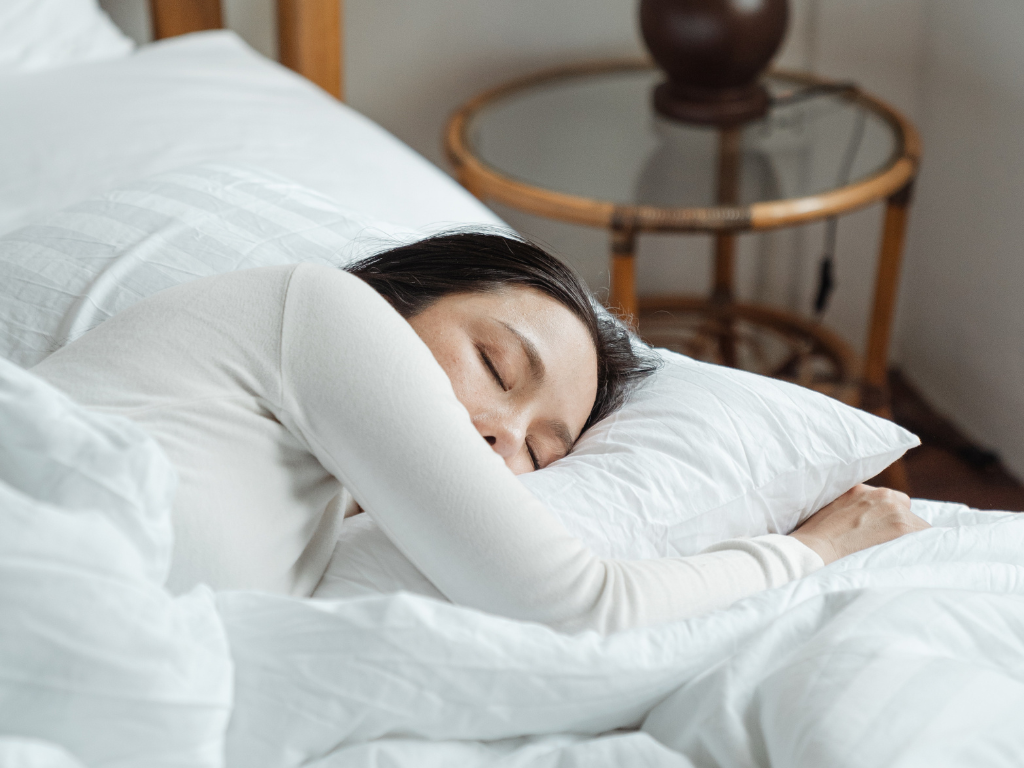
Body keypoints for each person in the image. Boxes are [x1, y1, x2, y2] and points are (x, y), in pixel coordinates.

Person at [31, 232, 929, 633]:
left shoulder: (312, 505)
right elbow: (581, 605)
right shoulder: (320, 308)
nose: (502, 438)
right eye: (498, 368)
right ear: (392, 293)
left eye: (542, 453)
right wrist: (808, 551)